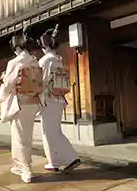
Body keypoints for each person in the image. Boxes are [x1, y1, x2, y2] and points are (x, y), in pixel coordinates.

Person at [0, 27, 43, 183]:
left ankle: (26, 169)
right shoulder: (34, 60)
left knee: (19, 137)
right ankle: (18, 166)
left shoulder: (14, 62)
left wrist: (3, 85)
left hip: (19, 103)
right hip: (32, 102)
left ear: (17, 48)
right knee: (26, 135)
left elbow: (9, 84)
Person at [37, 24, 81, 173]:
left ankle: (67, 158)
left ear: (45, 46)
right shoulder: (58, 59)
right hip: (59, 99)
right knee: (54, 130)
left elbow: (39, 82)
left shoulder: (44, 61)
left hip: (48, 99)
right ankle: (56, 160)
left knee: (48, 132)